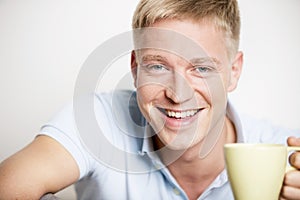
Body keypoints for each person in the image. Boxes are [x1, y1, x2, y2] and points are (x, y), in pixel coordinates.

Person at [0, 0, 299, 199]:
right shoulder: (99, 121)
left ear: (233, 72)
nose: (178, 94)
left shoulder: (282, 153)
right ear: (135, 69)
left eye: (201, 68)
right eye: (158, 66)